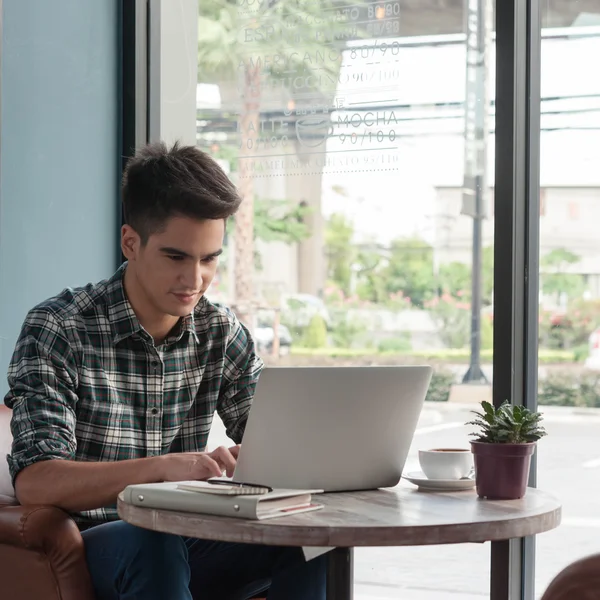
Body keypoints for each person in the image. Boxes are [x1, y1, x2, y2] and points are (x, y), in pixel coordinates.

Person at [4, 141, 327, 600]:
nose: (194, 280)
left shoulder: (220, 331)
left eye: (209, 259)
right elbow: (36, 481)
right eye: (176, 257)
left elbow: (272, 441)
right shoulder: (59, 328)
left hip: (188, 540)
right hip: (101, 543)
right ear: (131, 243)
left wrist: (270, 457)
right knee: (151, 541)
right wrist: (161, 470)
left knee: (314, 541)